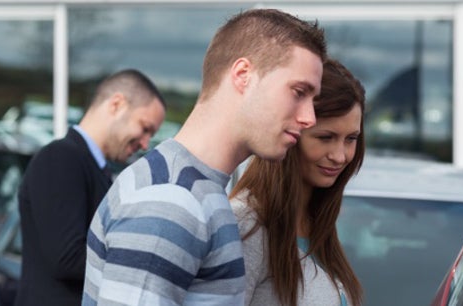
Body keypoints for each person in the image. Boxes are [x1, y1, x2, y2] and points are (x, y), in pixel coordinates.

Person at [83, 9, 326, 305]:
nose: (309, 117)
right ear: (242, 76)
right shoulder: (171, 200)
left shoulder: (196, 190)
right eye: (299, 92)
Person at [16, 69, 166, 306]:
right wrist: (143, 255)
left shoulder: (95, 170)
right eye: (145, 127)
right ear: (117, 104)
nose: (145, 143)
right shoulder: (61, 158)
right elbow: (66, 258)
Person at [229, 58, 366, 306]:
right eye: (326, 137)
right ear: (290, 133)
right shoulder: (245, 226)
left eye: (351, 138)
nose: (340, 155)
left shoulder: (317, 221)